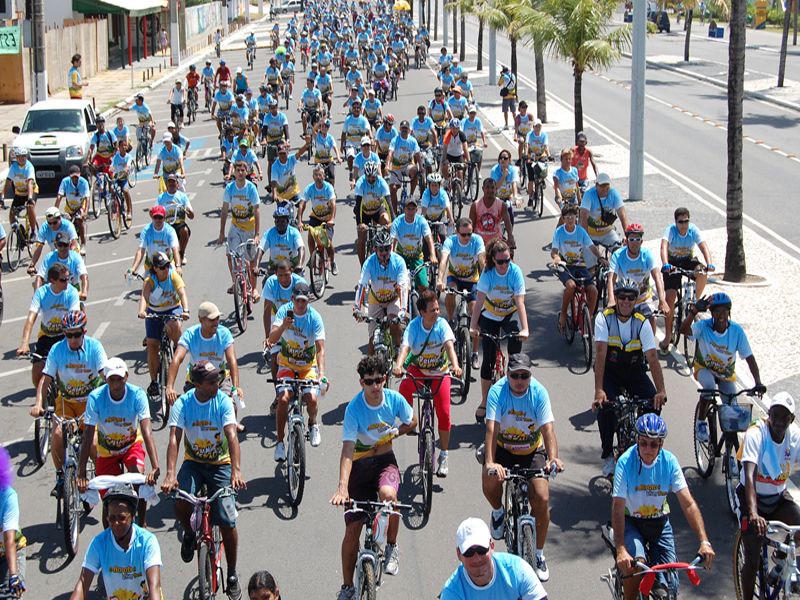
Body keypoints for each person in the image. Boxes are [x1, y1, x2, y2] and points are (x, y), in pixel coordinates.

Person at [330, 354, 418, 600]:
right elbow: (347, 450)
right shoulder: (354, 409)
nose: (375, 386)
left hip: (385, 464)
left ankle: (391, 546)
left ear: (385, 379)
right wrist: (342, 488)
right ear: (361, 383)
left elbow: (413, 420)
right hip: (359, 467)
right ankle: (347, 587)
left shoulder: (394, 400)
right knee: (352, 531)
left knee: (390, 496)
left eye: (379, 380)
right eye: (369, 381)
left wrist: (396, 432)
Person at [161, 360, 246, 600]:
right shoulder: (183, 404)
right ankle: (189, 533)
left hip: (220, 464)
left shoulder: (223, 401)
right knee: (180, 501)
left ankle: (231, 573)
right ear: (196, 384)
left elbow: (231, 435)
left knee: (228, 520)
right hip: (194, 463)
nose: (217, 384)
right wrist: (170, 473)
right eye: (211, 381)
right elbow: (175, 438)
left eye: (218, 379)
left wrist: (235, 471)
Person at [611, 414, 715, 600]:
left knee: (669, 585)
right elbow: (618, 507)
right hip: (631, 522)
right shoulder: (625, 463)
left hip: (659, 522)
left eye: (653, 444)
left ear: (661, 444)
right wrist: (620, 548)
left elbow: (689, 504)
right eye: (643, 443)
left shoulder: (670, 462)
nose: (648, 449)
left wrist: (704, 541)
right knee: (636, 566)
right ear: (637, 440)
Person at [482, 353, 562, 581]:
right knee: (490, 478)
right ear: (507, 375)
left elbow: (548, 430)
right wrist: (490, 461)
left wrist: (553, 459)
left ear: (530, 376)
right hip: (503, 449)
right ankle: (498, 511)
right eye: (514, 376)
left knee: (542, 498)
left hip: (531, 451)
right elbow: (491, 429)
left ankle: (538, 553)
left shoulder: (539, 393)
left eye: (524, 376)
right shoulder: (498, 391)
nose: (519, 381)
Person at [594, 278, 667, 478]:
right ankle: (608, 453)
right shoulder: (604, 318)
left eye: (631, 298)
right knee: (606, 409)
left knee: (654, 403)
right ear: (615, 298)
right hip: (610, 372)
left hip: (634, 371)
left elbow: (652, 358)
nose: (626, 302)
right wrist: (599, 390)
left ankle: (648, 445)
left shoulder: (642, 322)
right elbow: (600, 355)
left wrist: (661, 390)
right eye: (622, 297)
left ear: (636, 301)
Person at [78, 357, 160, 527]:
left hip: (130, 446)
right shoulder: (96, 398)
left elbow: (146, 430)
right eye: (112, 380)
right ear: (106, 379)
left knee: (139, 479)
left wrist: (155, 466)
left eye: (120, 379)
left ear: (126, 377)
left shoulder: (137, 395)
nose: (116, 385)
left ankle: (142, 524)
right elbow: (88, 434)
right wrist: (81, 472)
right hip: (107, 451)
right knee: (109, 503)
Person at [34, 310, 108, 496]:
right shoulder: (57, 350)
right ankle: (61, 476)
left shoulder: (95, 347)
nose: (73, 339)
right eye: (68, 335)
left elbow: (104, 376)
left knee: (92, 445)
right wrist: (38, 403)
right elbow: (46, 379)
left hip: (90, 404)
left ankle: (101, 482)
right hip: (66, 403)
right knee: (57, 435)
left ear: (84, 331)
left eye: (76, 334)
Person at [679, 292, 765, 443]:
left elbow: (749, 358)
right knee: (710, 388)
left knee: (733, 412)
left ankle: (731, 450)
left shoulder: (736, 331)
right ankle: (701, 422)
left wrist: (757, 382)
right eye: (717, 311)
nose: (721, 315)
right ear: (711, 313)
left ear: (729, 312)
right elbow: (683, 330)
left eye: (724, 311)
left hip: (725, 375)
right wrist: (694, 312)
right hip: (704, 369)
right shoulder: (704, 327)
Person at [738, 392, 800, 600]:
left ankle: (780, 564)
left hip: (777, 497)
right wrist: (753, 513)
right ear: (768, 415)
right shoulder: (757, 433)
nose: (779, 422)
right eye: (776, 416)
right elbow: (749, 475)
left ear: (791, 420)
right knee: (753, 559)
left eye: (785, 418)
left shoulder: (794, 438)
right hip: (751, 498)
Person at [394, 290, 462, 477]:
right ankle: (410, 421)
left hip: (439, 374)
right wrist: (399, 365)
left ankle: (444, 455)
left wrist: (455, 366)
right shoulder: (414, 327)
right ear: (422, 312)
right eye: (433, 310)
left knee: (444, 413)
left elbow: (449, 347)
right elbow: (405, 348)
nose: (437, 313)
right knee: (403, 388)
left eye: (438, 309)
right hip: (418, 372)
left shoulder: (442, 326)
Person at [70, 484, 162, 600]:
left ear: (133, 516)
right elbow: (83, 583)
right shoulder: (99, 543)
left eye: (122, 518)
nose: (116, 523)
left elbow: (155, 587)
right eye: (112, 518)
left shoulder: (148, 541)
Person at [469, 239, 528, 421]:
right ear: (493, 261)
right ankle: (485, 401)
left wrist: (524, 329)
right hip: (491, 314)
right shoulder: (487, 275)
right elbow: (478, 303)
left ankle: (514, 395)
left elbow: (519, 302)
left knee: (516, 355)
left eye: (507, 260)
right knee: (487, 359)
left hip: (510, 313)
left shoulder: (515, 272)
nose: (504, 265)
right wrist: (473, 326)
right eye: (500, 261)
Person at [268, 282, 327, 461]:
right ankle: (279, 443)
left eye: (304, 301)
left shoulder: (314, 317)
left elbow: (320, 349)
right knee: (283, 399)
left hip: (307, 367)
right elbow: (271, 339)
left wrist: (322, 374)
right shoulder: (283, 312)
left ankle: (313, 423)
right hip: (286, 365)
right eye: (298, 300)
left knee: (312, 398)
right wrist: (284, 326)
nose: (301, 304)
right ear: (292, 299)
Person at [166, 301, 244, 433]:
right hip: (197, 379)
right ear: (201, 320)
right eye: (212, 319)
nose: (216, 322)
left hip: (219, 377)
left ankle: (232, 425)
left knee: (231, 404)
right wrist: (169, 386)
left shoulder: (224, 333)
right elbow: (177, 359)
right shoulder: (190, 334)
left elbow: (232, 360)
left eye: (218, 318)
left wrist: (236, 387)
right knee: (192, 410)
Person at [440, 517, 547, 600]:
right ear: (459, 554)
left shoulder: (518, 570)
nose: (477, 559)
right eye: (469, 553)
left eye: (482, 550)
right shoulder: (452, 592)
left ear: (491, 546)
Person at [658, 207, 714, 353]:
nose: (683, 225)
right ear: (675, 222)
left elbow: (703, 246)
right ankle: (668, 335)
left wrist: (709, 263)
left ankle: (695, 301)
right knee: (669, 298)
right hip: (672, 265)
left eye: (686, 221)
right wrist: (665, 264)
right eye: (680, 222)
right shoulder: (670, 230)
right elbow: (664, 247)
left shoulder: (693, 230)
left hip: (688, 261)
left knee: (701, 273)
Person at [17, 264, 81, 390]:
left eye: (68, 279)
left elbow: (74, 318)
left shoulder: (72, 292)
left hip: (66, 336)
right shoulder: (41, 293)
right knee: (37, 373)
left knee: (69, 373)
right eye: (63, 280)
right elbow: (31, 318)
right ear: (52, 280)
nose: (67, 282)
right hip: (47, 337)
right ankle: (43, 402)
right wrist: (24, 343)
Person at [138, 251, 190, 399]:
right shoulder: (150, 280)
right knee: (152, 345)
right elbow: (144, 296)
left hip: (172, 308)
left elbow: (182, 293)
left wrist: (185, 310)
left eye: (167, 265)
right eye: (162, 267)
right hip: (154, 311)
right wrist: (142, 311)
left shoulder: (173, 276)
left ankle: (176, 345)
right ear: (155, 268)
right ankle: (154, 381)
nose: (166, 269)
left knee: (174, 325)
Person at [354, 229, 409, 353]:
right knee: (372, 339)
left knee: (394, 321)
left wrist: (403, 310)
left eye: (387, 249)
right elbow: (362, 285)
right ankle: (372, 368)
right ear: (375, 249)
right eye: (381, 249)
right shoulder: (369, 263)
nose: (384, 252)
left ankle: (397, 347)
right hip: (376, 299)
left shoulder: (399, 262)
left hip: (392, 299)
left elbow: (403, 287)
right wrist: (356, 308)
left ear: (391, 248)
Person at [550, 204, 604, 331]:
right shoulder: (559, 232)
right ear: (563, 218)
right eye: (567, 216)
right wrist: (557, 258)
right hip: (565, 266)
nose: (570, 219)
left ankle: (588, 318)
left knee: (593, 291)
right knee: (571, 286)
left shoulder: (581, 231)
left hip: (580, 265)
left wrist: (600, 258)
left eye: (572, 216)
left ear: (576, 217)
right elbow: (554, 250)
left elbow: (591, 247)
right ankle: (563, 314)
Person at [608, 223, 668, 330]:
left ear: (641, 241)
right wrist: (612, 299)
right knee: (619, 326)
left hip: (643, 298)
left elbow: (657, 277)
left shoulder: (647, 255)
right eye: (631, 239)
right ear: (626, 241)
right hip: (625, 299)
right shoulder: (618, 255)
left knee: (652, 319)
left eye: (637, 239)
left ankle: (650, 346)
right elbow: (611, 279)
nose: (634, 243)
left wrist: (662, 301)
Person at [218, 161, 261, 299]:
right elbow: (224, 210)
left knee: (251, 259)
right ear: (234, 172)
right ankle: (235, 281)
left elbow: (256, 210)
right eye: (238, 170)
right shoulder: (230, 188)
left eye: (243, 170)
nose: (240, 173)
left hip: (249, 227)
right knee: (230, 255)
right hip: (235, 226)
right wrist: (221, 233)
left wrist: (257, 234)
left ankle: (254, 289)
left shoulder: (251, 188)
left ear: (246, 171)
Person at [437, 216, 485, 326]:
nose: (467, 237)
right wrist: (440, 280)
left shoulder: (477, 240)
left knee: (474, 313)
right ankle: (450, 320)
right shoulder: (450, 241)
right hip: (454, 277)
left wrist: (488, 281)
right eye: (463, 235)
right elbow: (444, 261)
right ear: (457, 232)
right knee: (450, 293)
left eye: (469, 234)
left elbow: (482, 262)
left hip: (472, 279)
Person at [579, 173, 628, 269]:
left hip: (607, 232)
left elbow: (623, 215)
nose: (605, 188)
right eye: (601, 186)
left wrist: (628, 236)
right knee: (591, 267)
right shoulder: (589, 195)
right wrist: (587, 238)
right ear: (596, 185)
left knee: (620, 253)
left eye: (607, 186)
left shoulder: (613, 194)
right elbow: (583, 217)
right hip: (591, 233)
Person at [390, 196, 436, 292]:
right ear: (404, 209)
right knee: (394, 285)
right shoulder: (397, 222)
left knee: (423, 286)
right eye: (408, 209)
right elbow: (392, 241)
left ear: (416, 210)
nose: (410, 212)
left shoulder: (421, 221)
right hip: (401, 256)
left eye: (413, 209)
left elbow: (429, 238)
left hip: (416, 257)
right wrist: (390, 256)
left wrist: (433, 255)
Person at [299, 165, 338, 274]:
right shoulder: (310, 188)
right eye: (316, 175)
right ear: (313, 177)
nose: (318, 177)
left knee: (327, 242)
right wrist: (299, 221)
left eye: (320, 175)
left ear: (324, 176)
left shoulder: (328, 187)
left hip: (327, 218)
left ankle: (333, 262)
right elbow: (302, 204)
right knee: (311, 237)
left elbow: (333, 204)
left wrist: (332, 219)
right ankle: (313, 259)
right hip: (315, 216)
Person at [0, 448, 26, 598]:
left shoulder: (9, 497)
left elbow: (9, 539)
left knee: (10, 596)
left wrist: (13, 576)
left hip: (11, 553)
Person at [127, 205, 182, 275]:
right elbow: (141, 250)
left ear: (164, 218)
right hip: (151, 265)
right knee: (146, 285)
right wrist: (133, 268)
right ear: (152, 217)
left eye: (160, 217)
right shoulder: (146, 231)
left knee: (177, 281)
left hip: (167, 264)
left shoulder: (170, 231)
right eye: (155, 217)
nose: (157, 220)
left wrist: (178, 266)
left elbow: (175, 249)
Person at [33, 231, 88, 301]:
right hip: (54, 290)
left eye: (65, 245)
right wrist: (37, 295)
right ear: (55, 245)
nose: (62, 248)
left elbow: (84, 276)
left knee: (80, 309)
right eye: (60, 245)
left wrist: (84, 292)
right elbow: (39, 277)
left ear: (70, 245)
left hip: (73, 288)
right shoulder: (49, 258)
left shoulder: (76, 257)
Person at [386, 119, 421, 215]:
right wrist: (387, 165)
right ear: (400, 129)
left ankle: (411, 195)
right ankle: (394, 211)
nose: (404, 130)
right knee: (393, 188)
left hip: (407, 165)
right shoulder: (395, 140)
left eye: (406, 128)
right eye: (402, 128)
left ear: (409, 130)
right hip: (396, 167)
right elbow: (390, 153)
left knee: (415, 170)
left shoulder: (412, 141)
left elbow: (417, 154)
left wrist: (421, 167)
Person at [257, 205, 305, 274]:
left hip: (292, 268)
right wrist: (256, 266)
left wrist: (300, 264)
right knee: (266, 283)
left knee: (301, 284)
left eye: (282, 221)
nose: (280, 224)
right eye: (277, 221)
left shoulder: (294, 232)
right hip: (274, 268)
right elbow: (260, 250)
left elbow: (301, 248)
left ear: (288, 221)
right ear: (274, 222)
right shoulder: (269, 233)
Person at [470, 177, 514, 250]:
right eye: (487, 187)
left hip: (496, 242)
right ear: (483, 189)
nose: (490, 190)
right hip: (480, 243)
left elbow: (507, 222)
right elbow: (471, 225)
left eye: (492, 188)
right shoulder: (475, 205)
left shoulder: (501, 205)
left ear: (496, 189)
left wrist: (510, 237)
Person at [4, 147, 39, 234]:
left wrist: (30, 198)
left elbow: (30, 183)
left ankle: (33, 232)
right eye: (19, 156)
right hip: (19, 193)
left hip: (31, 191)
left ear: (26, 157)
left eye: (24, 156)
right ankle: (20, 234)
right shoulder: (14, 167)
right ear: (16, 157)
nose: (21, 158)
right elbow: (8, 182)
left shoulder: (29, 167)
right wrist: (2, 196)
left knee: (30, 207)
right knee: (12, 215)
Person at [55, 166, 90, 251]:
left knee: (79, 220)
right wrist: (55, 210)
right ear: (69, 176)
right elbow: (59, 196)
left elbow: (87, 198)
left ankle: (83, 243)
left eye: (76, 177)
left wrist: (85, 212)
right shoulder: (65, 181)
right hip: (69, 207)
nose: (75, 179)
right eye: (73, 177)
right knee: (64, 224)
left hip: (80, 206)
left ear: (79, 175)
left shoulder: (84, 182)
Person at [490, 150, 520, 221]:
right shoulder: (494, 170)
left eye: (505, 158)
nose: (503, 160)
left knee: (510, 213)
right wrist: (503, 176)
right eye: (501, 158)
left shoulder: (513, 170)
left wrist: (516, 197)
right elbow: (496, 186)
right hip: (496, 196)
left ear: (509, 160)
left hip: (507, 196)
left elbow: (514, 184)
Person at [498, 66, 517, 131]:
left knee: (505, 111)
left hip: (506, 97)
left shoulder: (503, 77)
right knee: (513, 111)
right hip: (513, 96)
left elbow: (499, 84)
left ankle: (506, 125)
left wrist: (501, 76)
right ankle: (515, 124)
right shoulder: (513, 75)